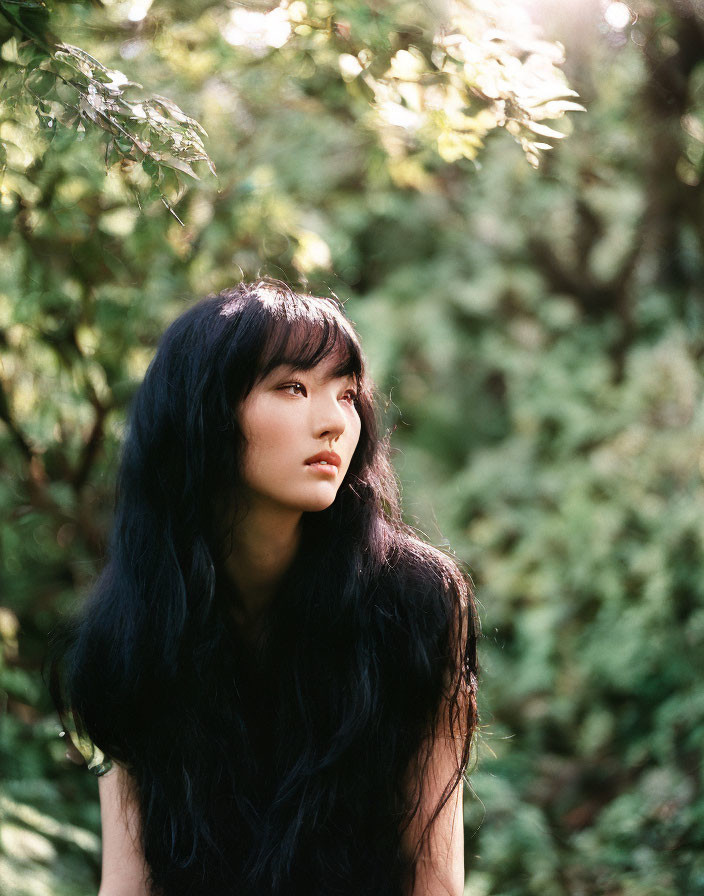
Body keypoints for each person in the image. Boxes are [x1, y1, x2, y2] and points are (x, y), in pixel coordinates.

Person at [46, 277, 479, 896]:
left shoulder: (416, 607)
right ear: (204, 413)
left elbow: (436, 882)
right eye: (293, 387)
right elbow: (129, 883)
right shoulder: (134, 627)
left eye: (348, 394)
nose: (334, 422)